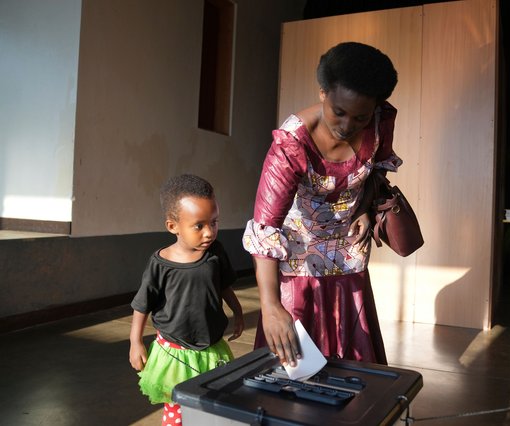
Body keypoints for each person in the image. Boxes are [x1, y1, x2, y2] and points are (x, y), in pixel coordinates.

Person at [242, 41, 401, 367]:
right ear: (323, 94)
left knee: (351, 357)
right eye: (338, 112)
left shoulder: (380, 121)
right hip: (297, 255)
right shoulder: (292, 144)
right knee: (299, 367)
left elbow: (379, 170)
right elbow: (264, 228)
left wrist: (367, 209)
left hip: (348, 250)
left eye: (360, 116)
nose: (347, 126)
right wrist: (271, 307)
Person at [129, 174, 244, 426]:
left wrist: (238, 312)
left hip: (211, 348)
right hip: (175, 351)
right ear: (173, 226)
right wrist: (135, 341)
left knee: (213, 408)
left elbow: (224, 287)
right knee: (178, 411)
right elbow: (142, 305)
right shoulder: (160, 263)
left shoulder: (216, 253)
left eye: (214, 223)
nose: (209, 232)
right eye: (199, 225)